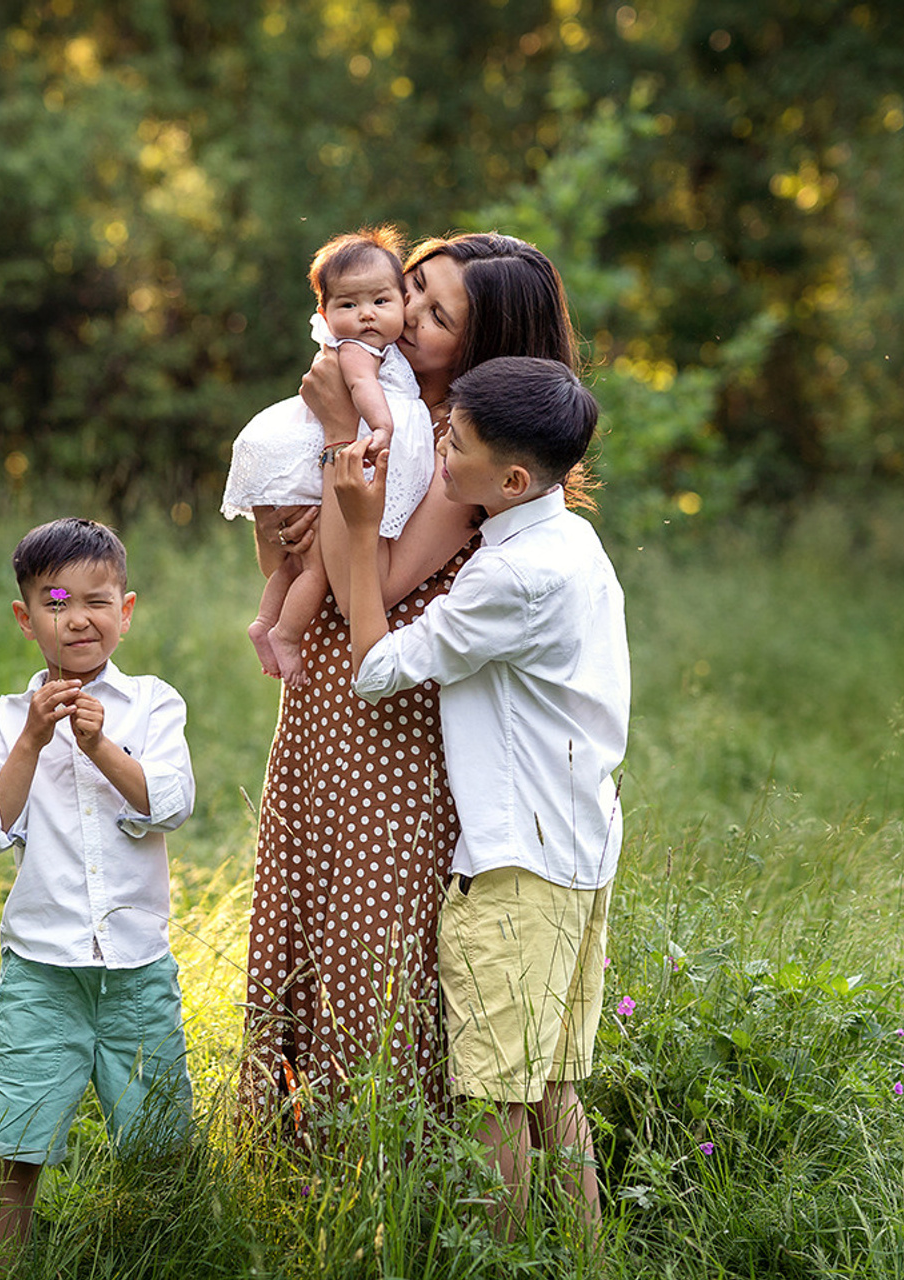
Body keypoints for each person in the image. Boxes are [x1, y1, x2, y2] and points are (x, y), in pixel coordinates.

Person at [238, 233, 581, 1128]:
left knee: (370, 932)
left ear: (486, 345)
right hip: (323, 693)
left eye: (439, 315)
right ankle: (296, 1149)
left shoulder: (464, 452)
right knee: (309, 902)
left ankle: (381, 1156)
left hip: (391, 711)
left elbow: (380, 581)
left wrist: (341, 439)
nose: (408, 317)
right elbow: (292, 552)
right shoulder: (382, 393)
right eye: (411, 291)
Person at [331, 356, 626, 1239]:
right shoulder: (571, 543)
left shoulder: (511, 577)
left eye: (454, 444)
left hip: (515, 870)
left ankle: (502, 1261)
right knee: (550, 1090)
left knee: (493, 1099)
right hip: (576, 850)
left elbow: (376, 670)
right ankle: (584, 1260)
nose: (439, 453)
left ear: (513, 481)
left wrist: (359, 528)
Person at [0, 518, 197, 1254]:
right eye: (56, 602)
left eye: (98, 601)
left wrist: (97, 744)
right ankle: (6, 1261)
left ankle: (165, 1255)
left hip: (136, 965)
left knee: (159, 1137)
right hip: (43, 967)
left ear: (126, 611)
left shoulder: (153, 704)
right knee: (18, 1135)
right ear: (26, 617)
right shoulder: (4, 721)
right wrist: (35, 739)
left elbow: (171, 803)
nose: (79, 618)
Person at [221, 227, 438, 685]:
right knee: (310, 562)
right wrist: (380, 427)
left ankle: (268, 623)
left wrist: (344, 431)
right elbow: (361, 385)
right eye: (414, 289)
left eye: (382, 300)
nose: (369, 314)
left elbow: (352, 590)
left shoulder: (461, 441)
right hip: (330, 671)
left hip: (363, 671)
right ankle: (280, 631)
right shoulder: (361, 352)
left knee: (306, 564)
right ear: (324, 312)